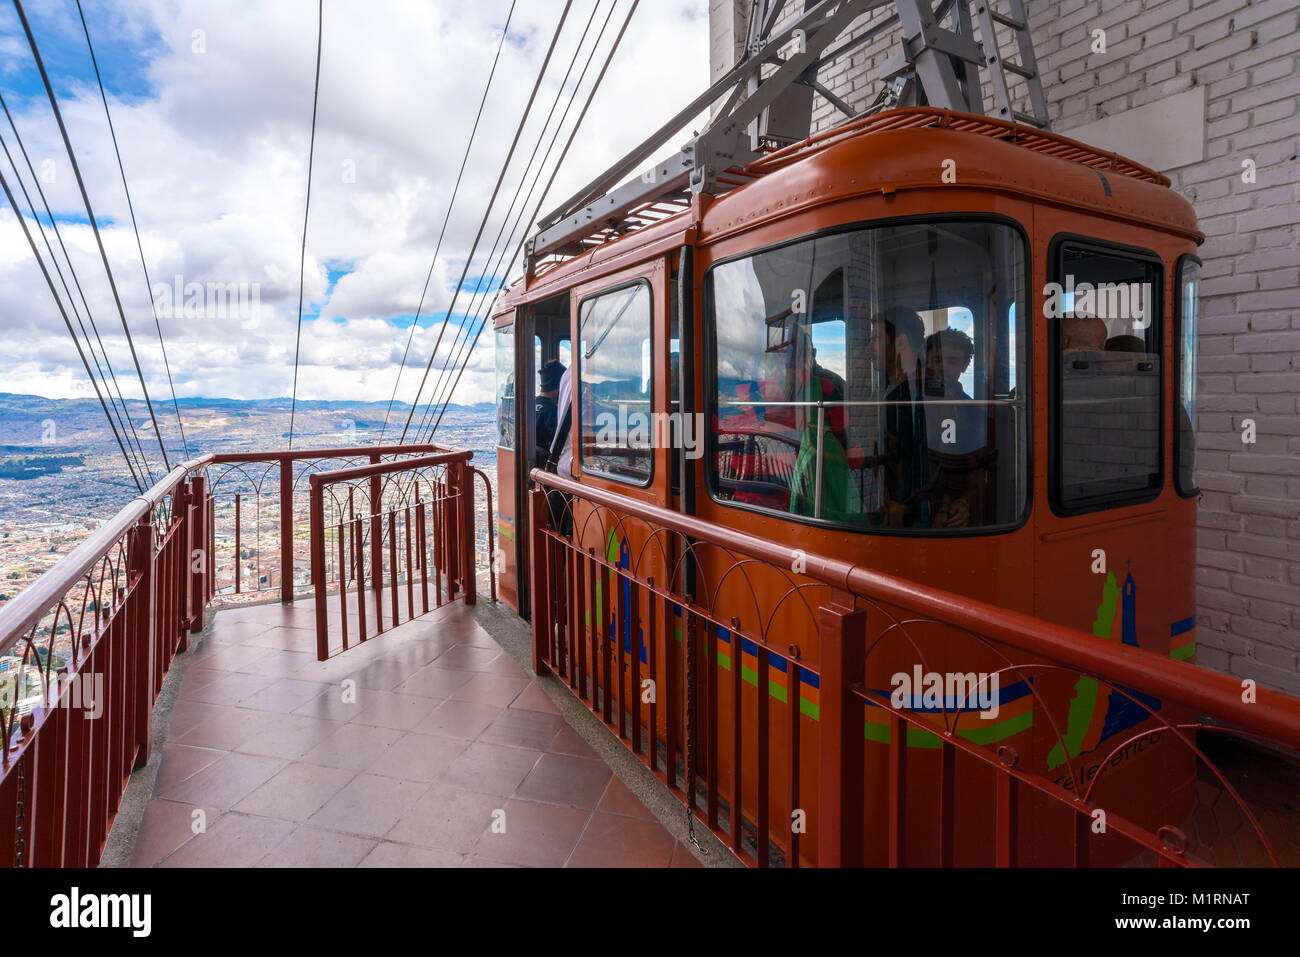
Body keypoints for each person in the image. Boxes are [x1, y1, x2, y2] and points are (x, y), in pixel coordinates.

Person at [534, 359, 564, 470]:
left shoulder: (530, 405)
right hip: (547, 469)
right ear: (559, 386)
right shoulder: (553, 412)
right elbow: (557, 448)